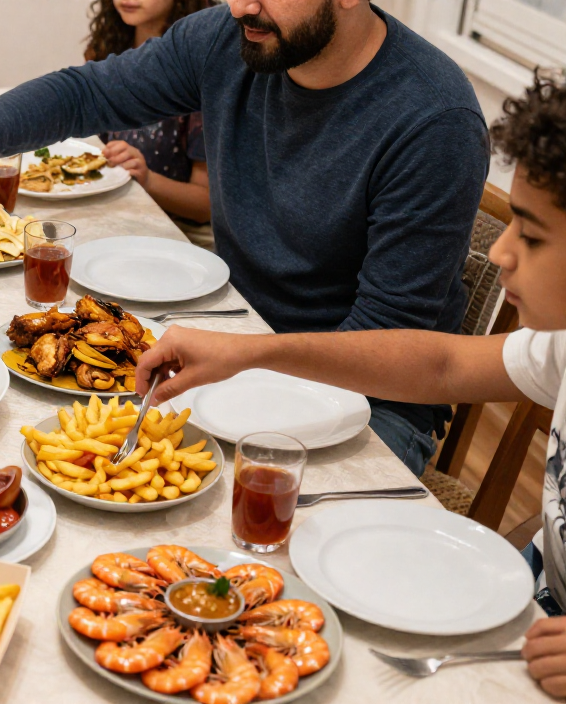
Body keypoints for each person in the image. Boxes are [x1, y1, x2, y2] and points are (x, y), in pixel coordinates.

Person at [0, 0, 490, 476]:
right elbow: (84, 91)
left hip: (372, 398)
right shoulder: (232, 36)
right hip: (237, 338)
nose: (242, 6)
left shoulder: (433, 119)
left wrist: (248, 361)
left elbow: (391, 338)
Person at [130, 73, 566, 698]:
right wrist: (249, 353)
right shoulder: (558, 347)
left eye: (531, 233)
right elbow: (438, 367)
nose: (499, 253)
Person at [86, 0, 213, 234]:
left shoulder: (202, 69)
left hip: (180, 233)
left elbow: (207, 205)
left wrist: (147, 179)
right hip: (116, 216)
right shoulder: (105, 50)